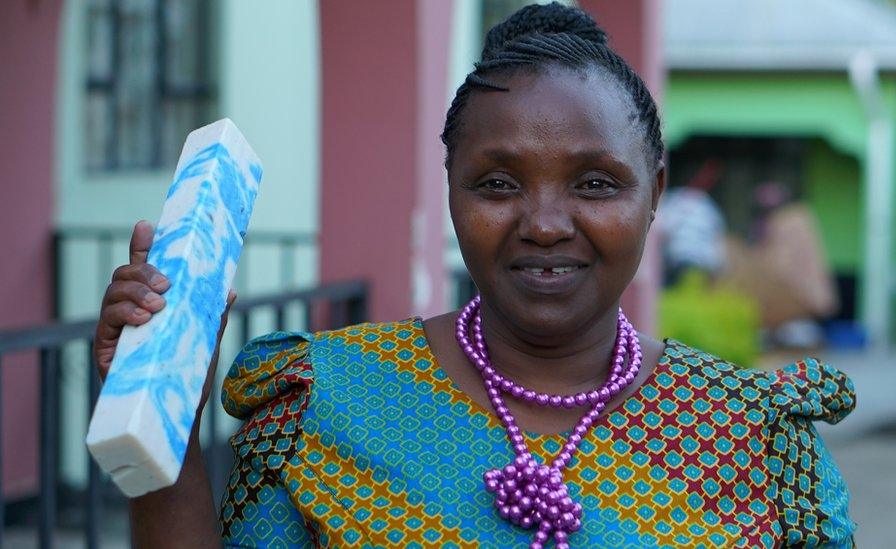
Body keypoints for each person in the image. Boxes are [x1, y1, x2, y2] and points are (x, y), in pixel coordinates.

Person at [93, 4, 856, 547]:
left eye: (595, 183)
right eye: (498, 183)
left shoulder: (754, 437)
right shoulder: (321, 403)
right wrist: (168, 423)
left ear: (655, 192)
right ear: (451, 185)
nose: (546, 222)